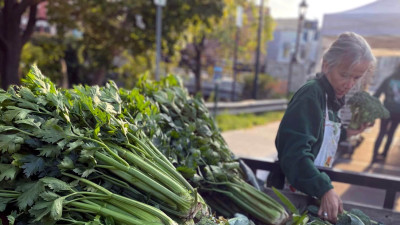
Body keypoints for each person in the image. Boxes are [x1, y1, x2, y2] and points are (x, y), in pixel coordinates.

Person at [275, 32, 376, 223]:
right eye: (344, 75)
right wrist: (324, 188)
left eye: (356, 78)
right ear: (326, 65)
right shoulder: (311, 94)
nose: (349, 84)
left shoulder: (332, 98)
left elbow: (318, 134)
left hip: (307, 192)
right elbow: (294, 154)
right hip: (288, 194)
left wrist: (347, 133)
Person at [372, 64, 400, 163]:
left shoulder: (388, 79)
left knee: (381, 133)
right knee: (391, 133)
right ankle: (384, 155)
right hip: (398, 113)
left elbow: (376, 95)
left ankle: (374, 156)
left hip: (386, 110)